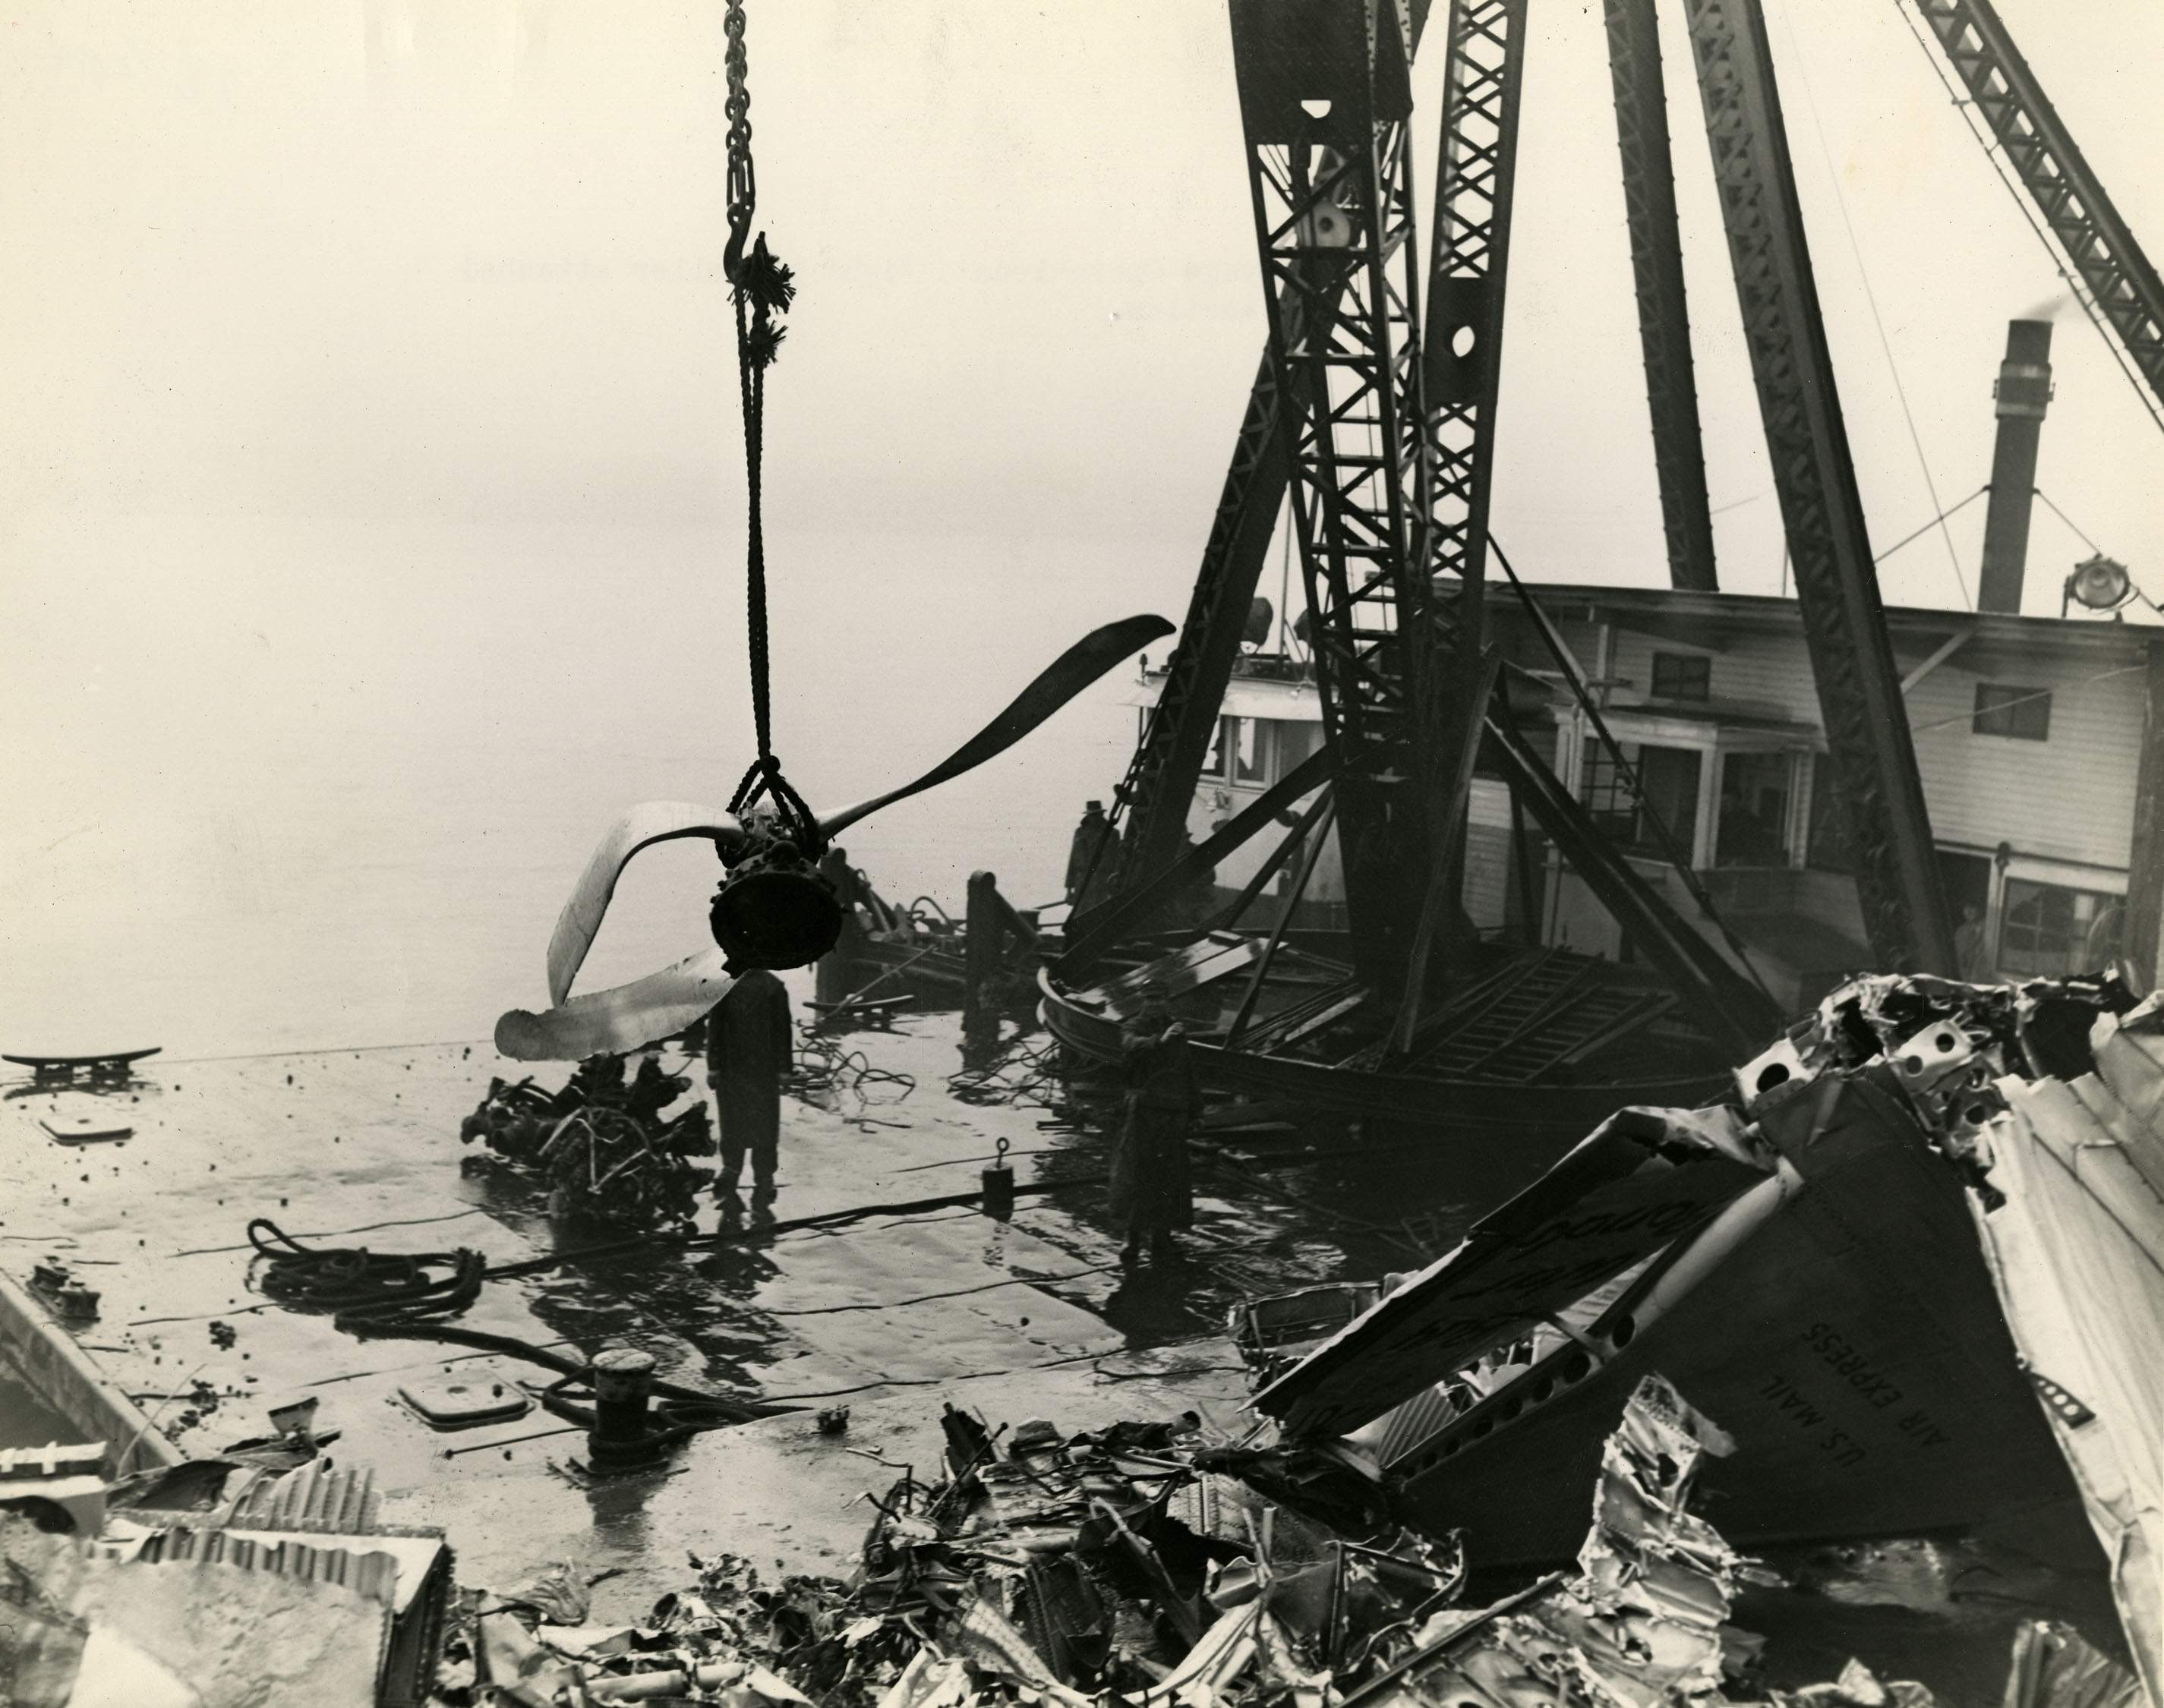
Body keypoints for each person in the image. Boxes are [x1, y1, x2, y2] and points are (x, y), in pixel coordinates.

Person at [1109, 986, 1197, 1267]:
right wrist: (1160, 1040)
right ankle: (1131, 1238)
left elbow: (1187, 1072)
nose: (1155, 1004)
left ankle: (1163, 1237)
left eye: (1159, 998)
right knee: (1137, 1174)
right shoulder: (1134, 1026)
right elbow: (1130, 1046)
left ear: (1167, 1000)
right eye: (1150, 999)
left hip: (1171, 1112)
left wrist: (1197, 1111)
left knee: (1170, 1176)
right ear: (1143, 1001)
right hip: (1143, 1113)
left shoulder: (1178, 1030)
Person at [706, 967, 793, 1221]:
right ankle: (731, 1171)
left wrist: (784, 1069)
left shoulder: (773, 988)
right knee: (732, 1124)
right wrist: (714, 1065)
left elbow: (783, 1030)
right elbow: (715, 1029)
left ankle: (764, 1178)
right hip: (732, 1069)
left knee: (765, 1127)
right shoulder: (723, 985)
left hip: (763, 1071)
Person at [1066, 801, 1116, 912]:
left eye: (1096, 814)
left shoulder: (1113, 833)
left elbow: (1117, 861)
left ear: (1102, 814)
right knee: (1079, 918)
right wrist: (1069, 890)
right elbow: (1072, 862)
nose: (1094, 818)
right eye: (1091, 815)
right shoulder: (1079, 832)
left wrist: (1115, 889)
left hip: (1103, 884)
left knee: (1100, 916)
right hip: (1082, 885)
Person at [1953, 903, 1991, 982]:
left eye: (1972, 907)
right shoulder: (1961, 932)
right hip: (1970, 980)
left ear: (1981, 908)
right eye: (1965, 908)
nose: (1968, 911)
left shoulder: (1992, 928)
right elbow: (1962, 961)